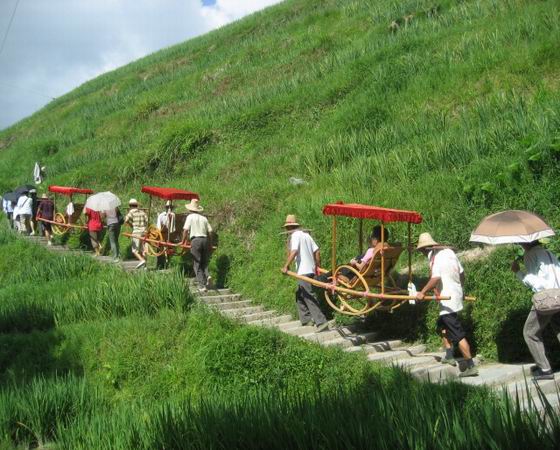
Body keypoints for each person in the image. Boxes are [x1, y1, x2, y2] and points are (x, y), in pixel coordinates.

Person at [415, 232, 478, 377]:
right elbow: (462, 274)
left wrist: (422, 292)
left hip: (448, 299)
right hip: (454, 295)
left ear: (425, 249)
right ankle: (449, 355)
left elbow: (435, 277)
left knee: (457, 333)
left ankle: (471, 366)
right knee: (441, 325)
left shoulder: (434, 257)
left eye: (421, 251)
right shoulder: (449, 252)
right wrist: (459, 288)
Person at [512, 240, 560, 381]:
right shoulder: (548, 252)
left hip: (547, 298)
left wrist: (518, 272)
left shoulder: (530, 255)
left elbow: (536, 283)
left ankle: (545, 369)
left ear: (525, 243)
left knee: (530, 333)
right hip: (559, 294)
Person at [281, 214, 329, 332]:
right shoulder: (306, 235)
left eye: (287, 228)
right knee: (299, 294)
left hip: (303, 272)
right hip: (310, 270)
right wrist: (317, 266)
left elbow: (294, 251)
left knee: (308, 296)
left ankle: (321, 322)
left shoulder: (295, 235)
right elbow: (317, 251)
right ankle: (306, 319)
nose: (287, 230)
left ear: (289, 227)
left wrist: (286, 266)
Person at [181, 199, 213, 291]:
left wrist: (183, 241)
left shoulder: (190, 217)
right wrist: (210, 243)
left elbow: (185, 230)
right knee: (204, 262)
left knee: (197, 263)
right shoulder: (204, 218)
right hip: (205, 240)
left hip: (196, 241)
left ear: (190, 209)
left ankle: (202, 286)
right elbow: (210, 231)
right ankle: (208, 275)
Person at [124, 198, 148, 268]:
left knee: (135, 251)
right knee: (143, 250)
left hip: (136, 232)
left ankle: (142, 260)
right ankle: (145, 266)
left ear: (130, 205)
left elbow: (126, 220)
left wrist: (130, 223)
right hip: (144, 232)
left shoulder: (131, 212)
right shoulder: (142, 212)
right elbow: (147, 221)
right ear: (136, 205)